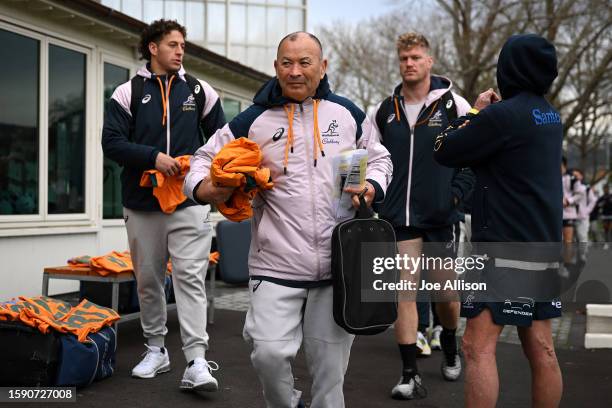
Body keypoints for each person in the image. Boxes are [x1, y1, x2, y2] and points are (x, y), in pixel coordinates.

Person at [184, 31, 392, 408]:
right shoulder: (253, 119)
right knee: (268, 354)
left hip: (337, 266)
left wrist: (372, 186)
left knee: (331, 376)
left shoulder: (347, 114)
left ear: (323, 66)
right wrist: (206, 189)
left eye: (305, 62)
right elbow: (200, 160)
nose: (295, 72)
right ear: (276, 67)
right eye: (286, 63)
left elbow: (379, 158)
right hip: (275, 263)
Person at [434, 33, 564, 407]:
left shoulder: (503, 116)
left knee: (476, 346)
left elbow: (444, 149)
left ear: (509, 68)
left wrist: (474, 112)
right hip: (542, 243)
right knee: (541, 347)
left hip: (503, 246)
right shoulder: (548, 114)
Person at [102, 19, 226, 390]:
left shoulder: (201, 91)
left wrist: (206, 180)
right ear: (153, 48)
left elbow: (221, 143)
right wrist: (153, 157)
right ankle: (156, 350)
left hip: (190, 202)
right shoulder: (127, 92)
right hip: (141, 204)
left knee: (189, 278)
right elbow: (111, 143)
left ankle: (197, 361)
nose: (180, 50)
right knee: (150, 282)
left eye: (182, 45)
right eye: (172, 44)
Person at [371, 32, 473, 399]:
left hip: (440, 217)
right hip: (399, 218)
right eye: (403, 58)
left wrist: (457, 194)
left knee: (446, 295)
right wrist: (370, 195)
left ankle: (449, 342)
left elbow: (473, 158)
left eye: (415, 57)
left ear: (429, 61)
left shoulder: (455, 106)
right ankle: (409, 373)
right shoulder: (383, 111)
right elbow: (368, 158)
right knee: (404, 294)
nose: (409, 63)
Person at [561, 157, 585, 244]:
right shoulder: (551, 178)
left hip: (568, 213)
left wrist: (569, 201)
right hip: (555, 213)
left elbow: (580, 194)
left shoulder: (572, 178)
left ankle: (568, 257)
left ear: (564, 165)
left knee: (567, 241)